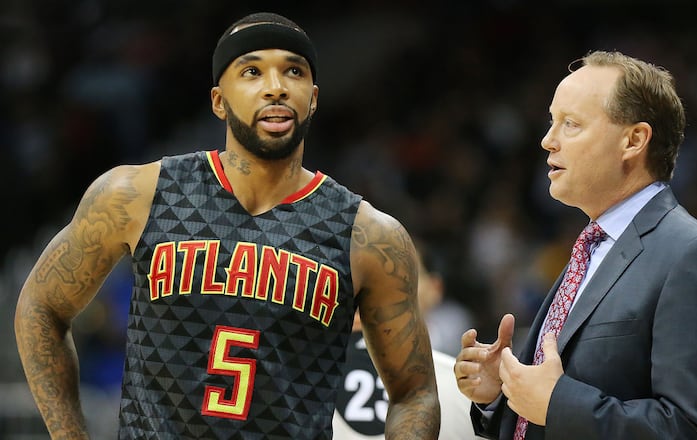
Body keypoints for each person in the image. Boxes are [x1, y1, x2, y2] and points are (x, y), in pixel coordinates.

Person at [14, 12, 440, 440]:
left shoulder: (369, 236)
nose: (276, 87)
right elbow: (41, 307)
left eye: (293, 71)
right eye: (252, 71)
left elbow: (414, 393)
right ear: (219, 100)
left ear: (312, 98)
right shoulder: (135, 193)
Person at [454, 50, 697, 439]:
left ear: (633, 140)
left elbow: (696, 431)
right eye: (551, 122)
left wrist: (557, 403)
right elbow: (549, 405)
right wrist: (503, 392)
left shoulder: (696, 256)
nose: (547, 141)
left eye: (571, 124)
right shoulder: (592, 248)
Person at [333, 244, 477, 439]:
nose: (372, 291)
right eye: (358, 277)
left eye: (395, 276)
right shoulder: (471, 392)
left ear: (435, 288)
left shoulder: (473, 388)